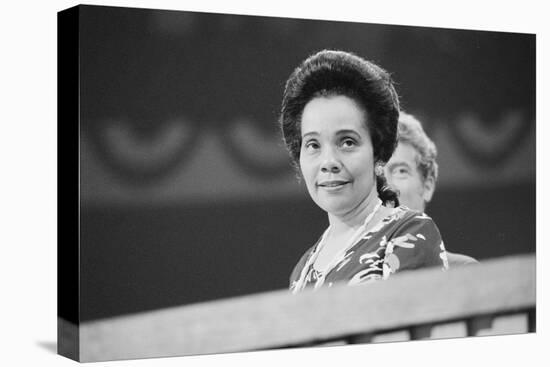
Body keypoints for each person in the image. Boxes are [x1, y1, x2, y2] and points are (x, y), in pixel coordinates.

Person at [279, 50, 449, 294]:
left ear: (378, 152)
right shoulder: (303, 269)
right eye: (313, 145)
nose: (329, 162)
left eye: (347, 142)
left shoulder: (408, 233)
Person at [384, 112, 477, 266]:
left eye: (401, 171)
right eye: (376, 174)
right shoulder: (340, 277)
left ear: (427, 186)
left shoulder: (462, 270)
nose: (386, 187)